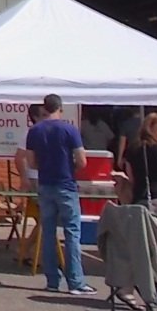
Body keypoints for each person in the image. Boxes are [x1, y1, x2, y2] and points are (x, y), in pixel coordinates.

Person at [24, 93, 96, 295]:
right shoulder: (69, 129)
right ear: (60, 108)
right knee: (72, 233)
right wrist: (69, 166)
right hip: (66, 183)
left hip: (45, 184)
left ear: (44, 109)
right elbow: (82, 161)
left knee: (48, 232)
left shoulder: (34, 131)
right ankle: (76, 282)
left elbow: (31, 162)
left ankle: (52, 280)